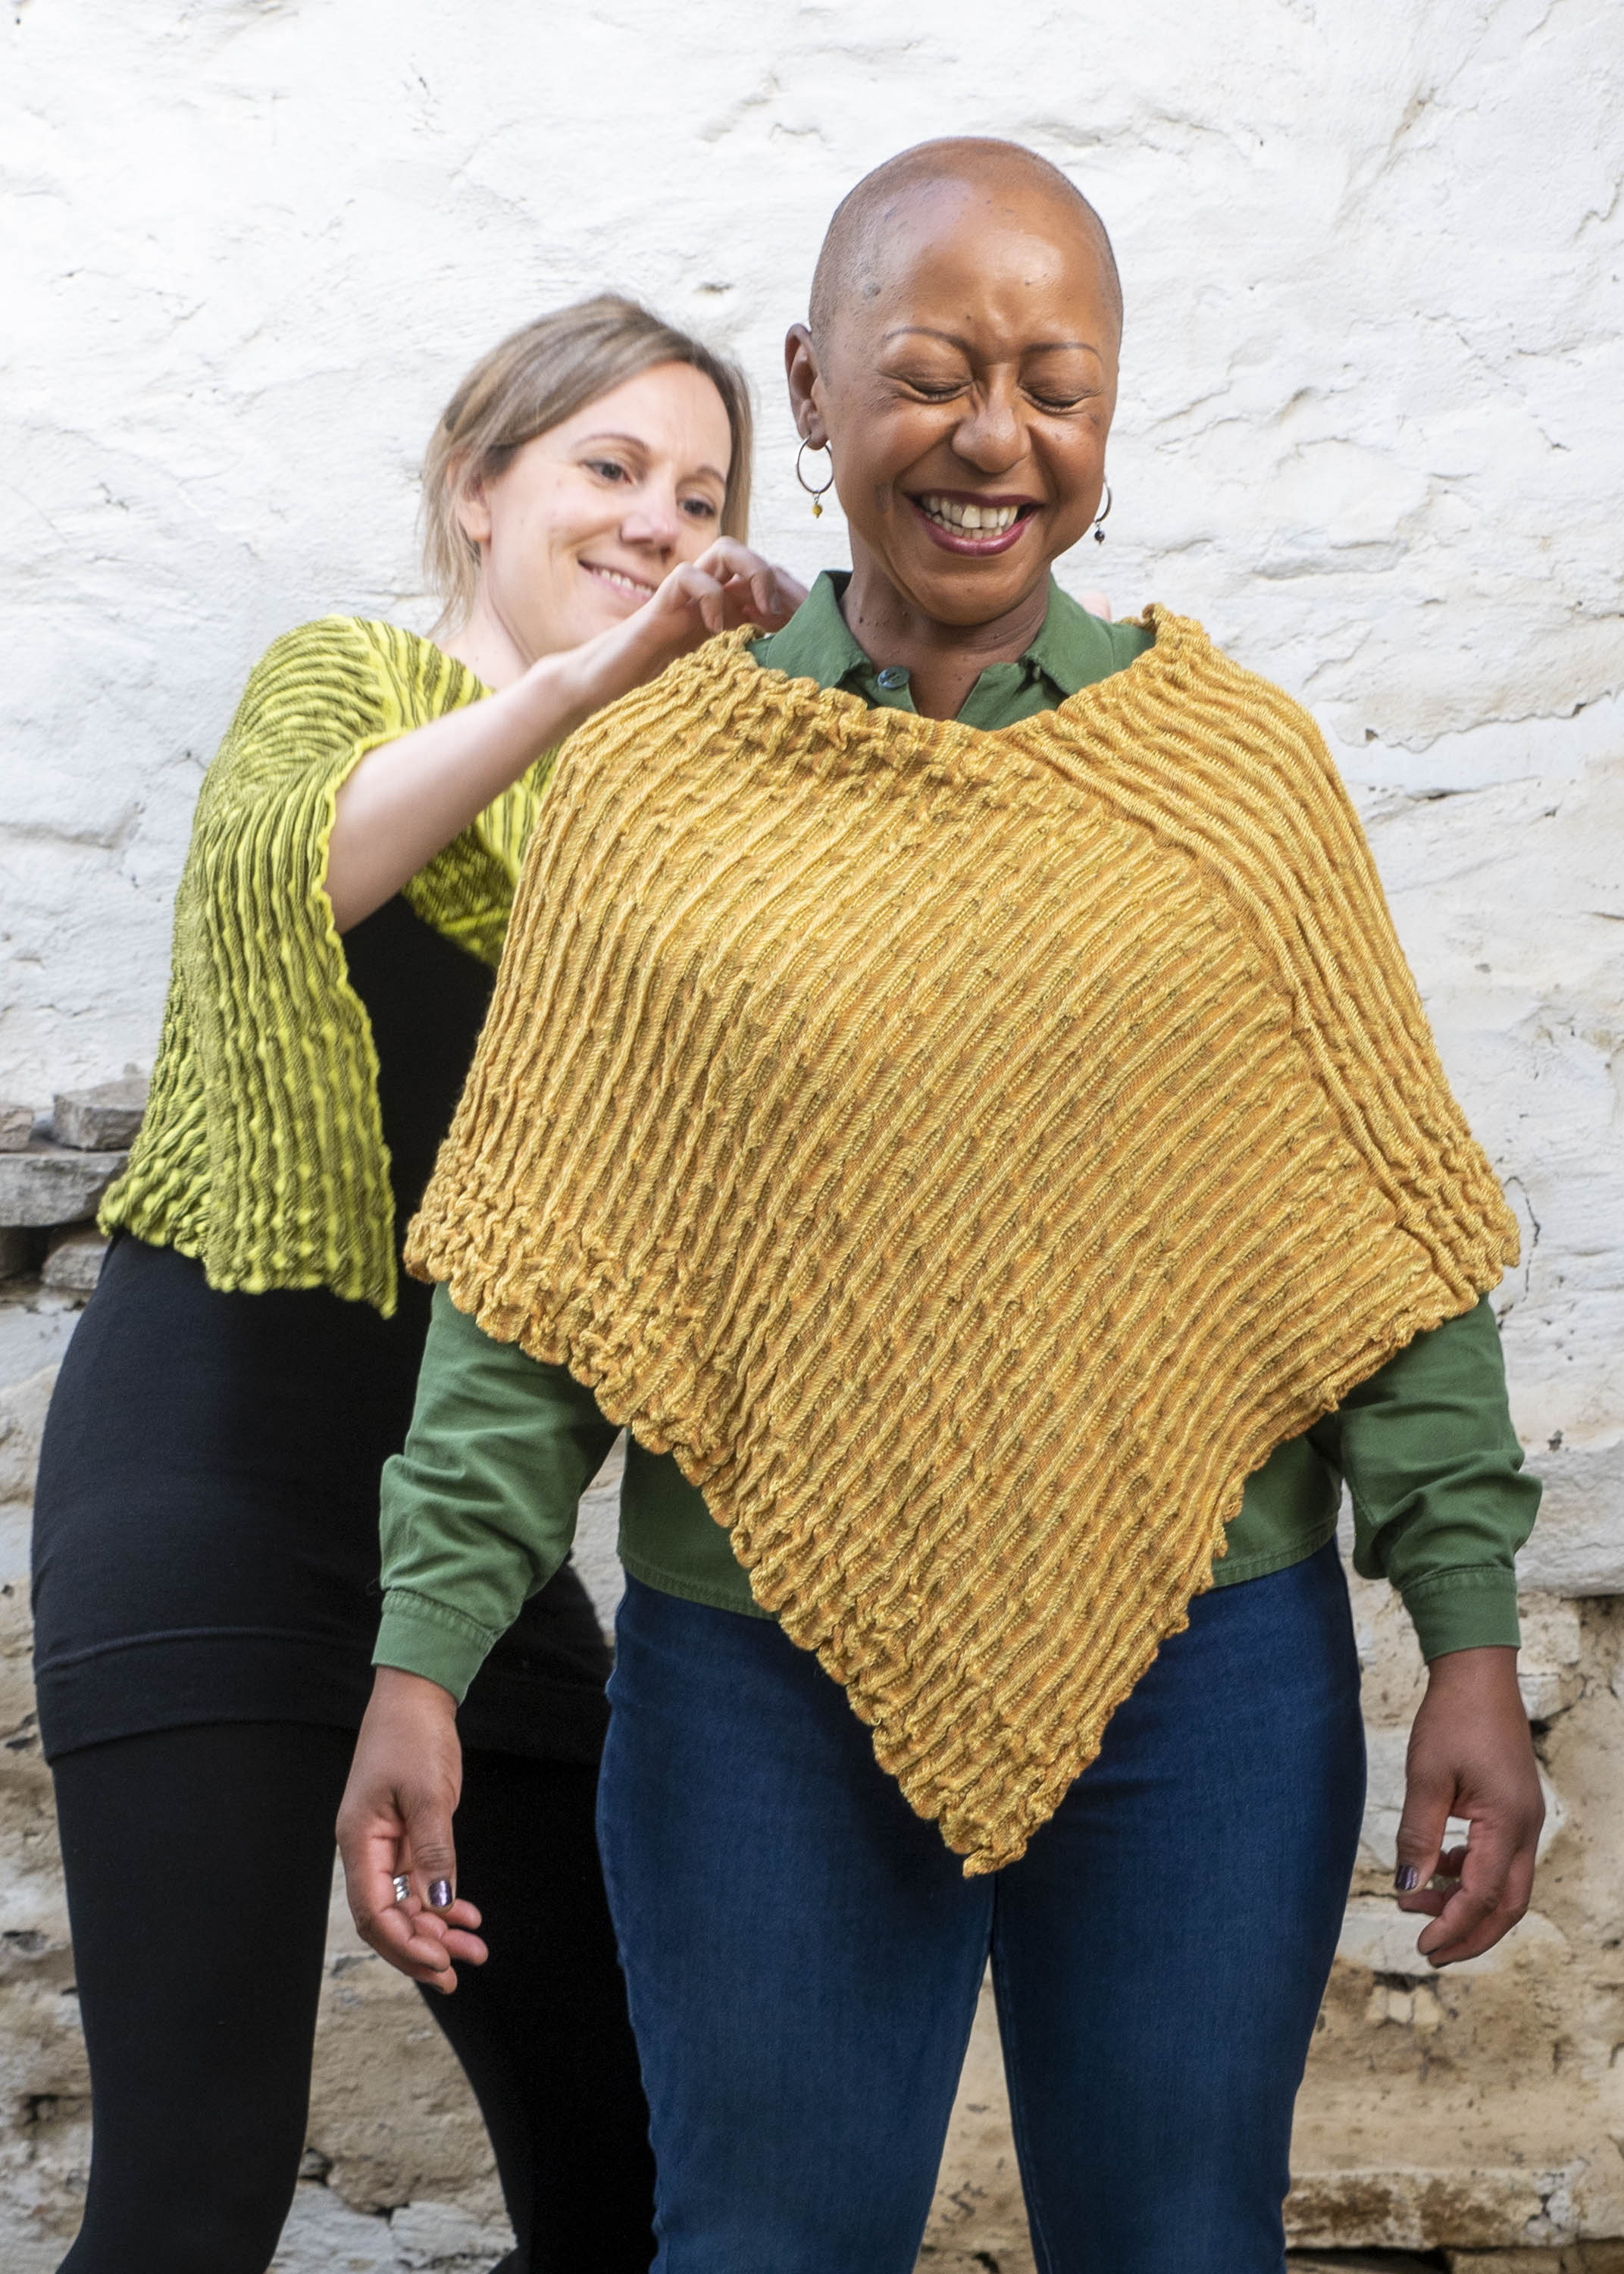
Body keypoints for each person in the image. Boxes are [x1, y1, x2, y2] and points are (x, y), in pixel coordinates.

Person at [337, 148, 1545, 2274]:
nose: (995, 440)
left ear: (1104, 418)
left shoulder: (1233, 776)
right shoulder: (656, 781)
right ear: (808, 388)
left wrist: (1466, 1640)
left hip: (1214, 1675)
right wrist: (424, 1653)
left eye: (1055, 386)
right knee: (763, 2244)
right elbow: (536, 1274)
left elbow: (1387, 1239)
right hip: (751, 1683)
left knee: (1181, 2240)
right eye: (928, 374)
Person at [30, 293, 803, 2274]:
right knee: (199, 2181)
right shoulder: (347, 682)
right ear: (480, 493)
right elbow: (292, 864)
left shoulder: (648, 830)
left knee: (629, 2155)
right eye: (608, 469)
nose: (654, 519)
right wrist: (596, 683)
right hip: (207, 1486)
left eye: (698, 492)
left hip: (464, 1539)